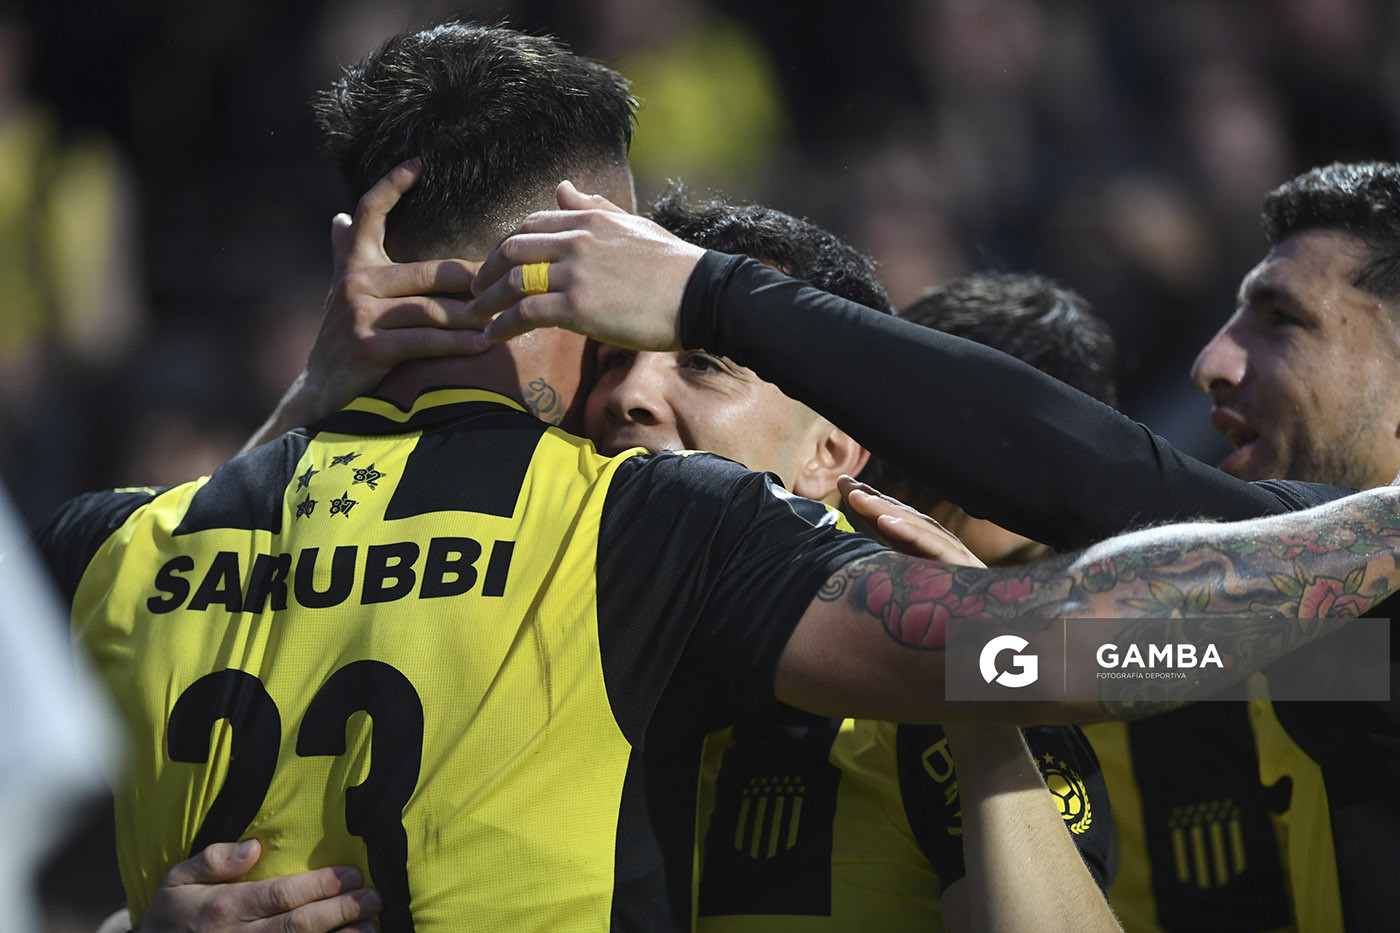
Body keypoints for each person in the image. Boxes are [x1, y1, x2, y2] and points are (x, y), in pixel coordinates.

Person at [42, 24, 1400, 931]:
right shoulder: (622, 558)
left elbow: (1085, 622)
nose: (637, 388)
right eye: (634, 338)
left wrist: (981, 705)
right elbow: (1066, 645)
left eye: (699, 360)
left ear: (840, 448)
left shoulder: (112, 551)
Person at [459, 160, 1400, 931]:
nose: (1212, 362)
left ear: (838, 453)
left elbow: (1113, 521)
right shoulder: (509, 641)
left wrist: (986, 667)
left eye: (1285, 320)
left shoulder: (1342, 633)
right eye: (613, 360)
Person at [896, 274, 1310, 931]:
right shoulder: (852, 619)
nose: (902, 473)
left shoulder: (1211, 638)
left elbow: (1358, 662)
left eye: (943, 443)